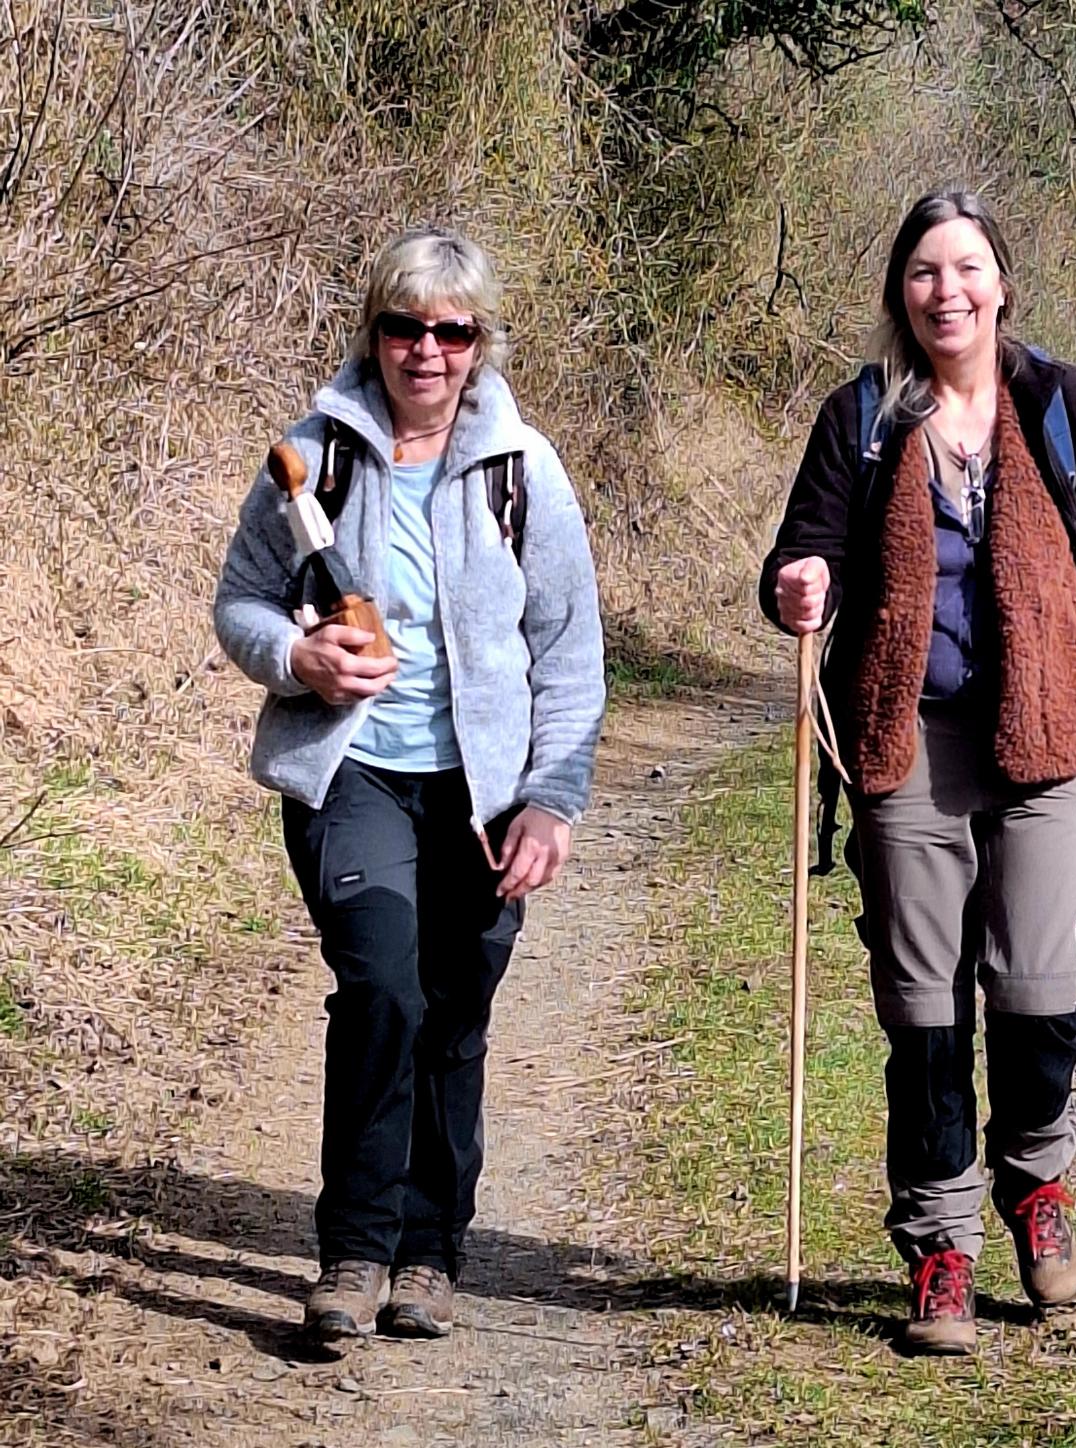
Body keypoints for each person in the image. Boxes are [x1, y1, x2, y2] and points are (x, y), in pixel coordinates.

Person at [758, 190, 1076, 1354]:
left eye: (964, 268)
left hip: (1046, 740)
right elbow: (798, 559)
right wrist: (797, 583)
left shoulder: (1061, 405)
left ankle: (1034, 1182)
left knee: (1037, 994)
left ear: (1000, 283)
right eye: (922, 272)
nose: (944, 291)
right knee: (921, 1012)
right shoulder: (862, 416)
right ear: (898, 293)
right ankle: (939, 1246)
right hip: (904, 743)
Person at [215, 226, 605, 1343]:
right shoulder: (312, 459)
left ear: (479, 343)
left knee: (454, 1010)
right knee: (383, 987)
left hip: (483, 795)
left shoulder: (524, 473)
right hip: (353, 775)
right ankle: (354, 1250)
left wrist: (551, 797)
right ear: (372, 333)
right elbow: (241, 601)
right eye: (404, 327)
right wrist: (297, 657)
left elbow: (570, 652)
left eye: (451, 331)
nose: (425, 350)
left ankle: (429, 1253)